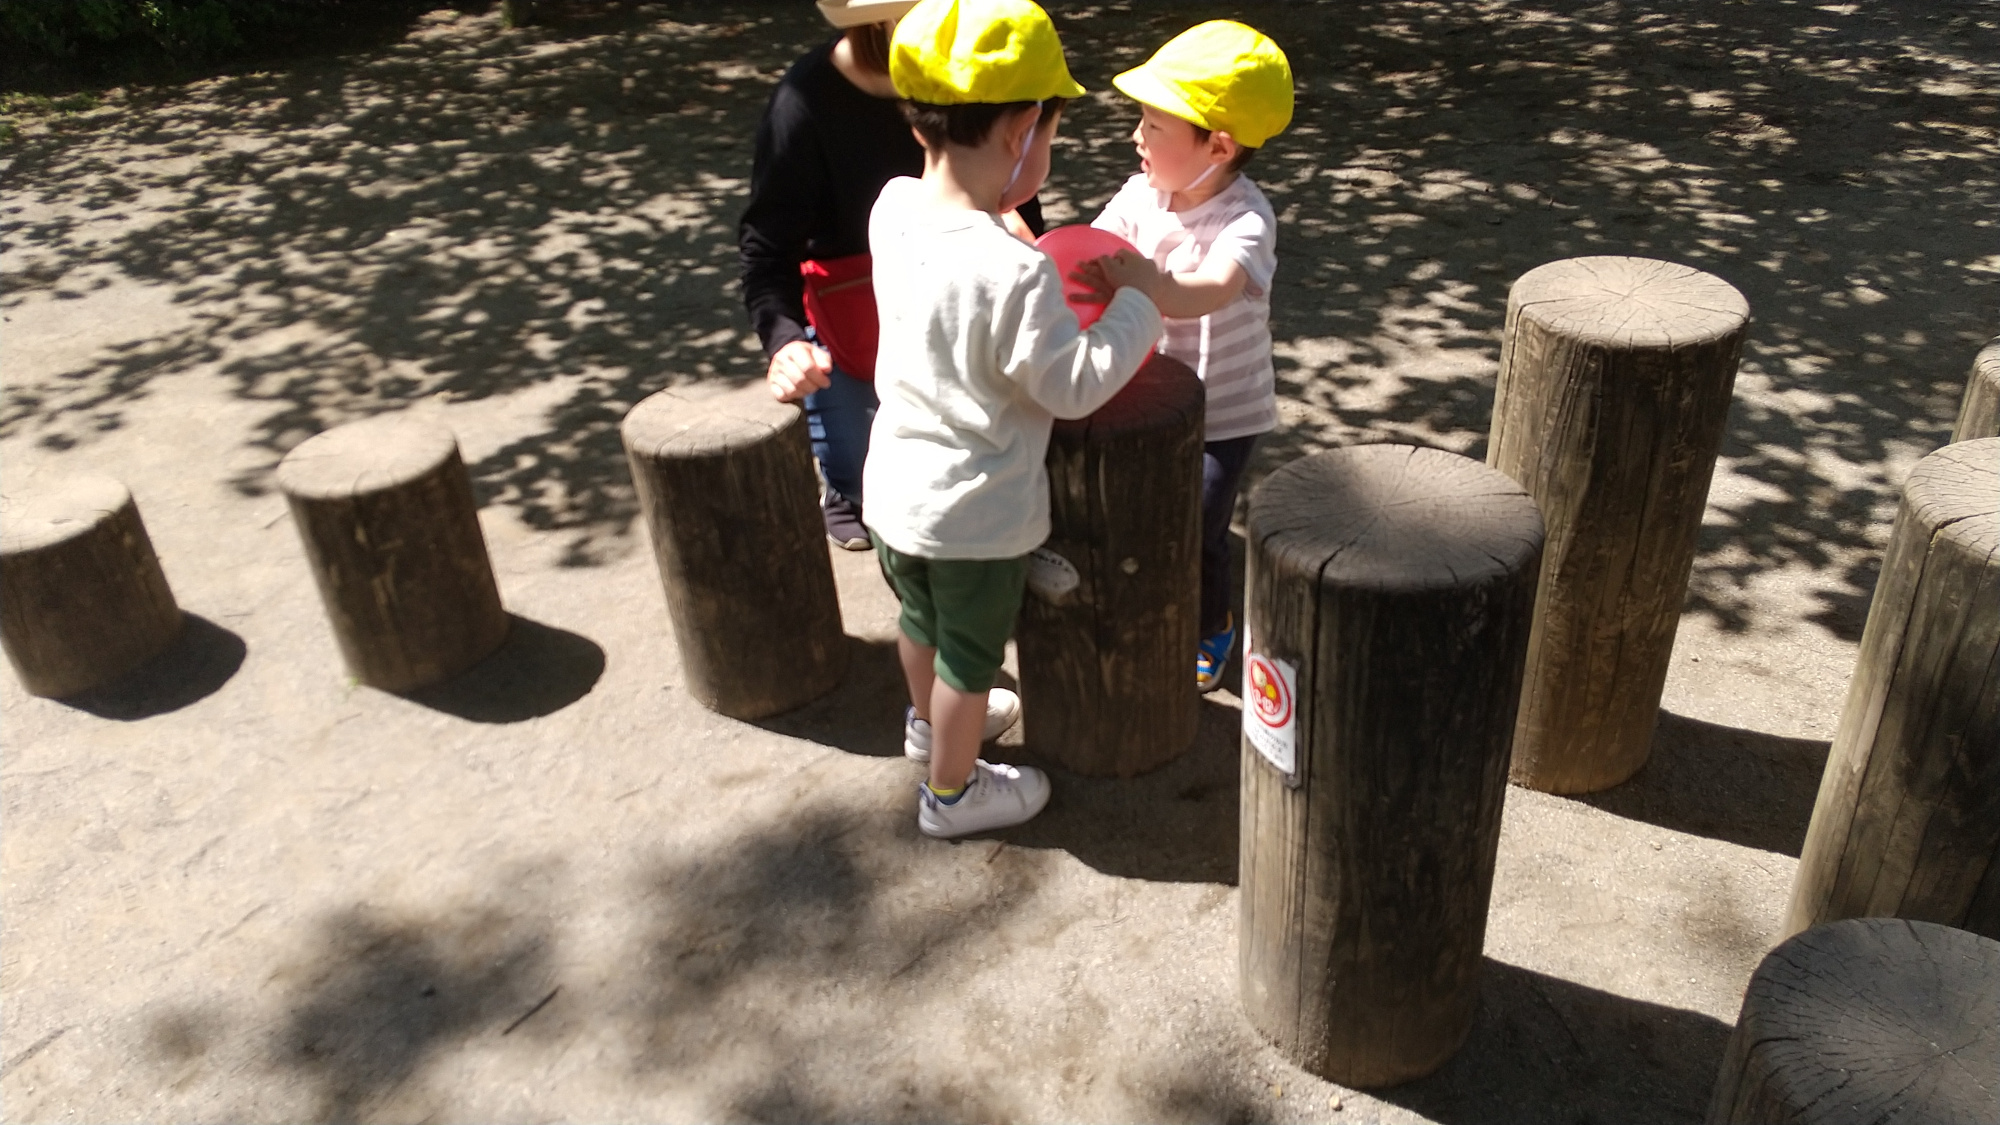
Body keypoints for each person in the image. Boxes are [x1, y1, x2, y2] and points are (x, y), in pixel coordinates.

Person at [865, 0, 1165, 837]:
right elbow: (1072, 385)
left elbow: (954, 279)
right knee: (971, 659)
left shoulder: (892, 207)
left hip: (894, 493)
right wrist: (1138, 305)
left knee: (919, 622)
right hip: (974, 515)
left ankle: (926, 726)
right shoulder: (1014, 272)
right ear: (1020, 129)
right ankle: (952, 793)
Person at [738, 0, 1043, 552]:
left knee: (998, 444)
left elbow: (1017, 190)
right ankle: (844, 487)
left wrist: (1021, 235)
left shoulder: (968, 68)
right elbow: (767, 245)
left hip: (960, 292)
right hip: (850, 307)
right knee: (870, 473)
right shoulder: (804, 101)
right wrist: (784, 340)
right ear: (881, 19)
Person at [1077, 20, 1293, 693]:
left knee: (1197, 518)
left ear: (1218, 146)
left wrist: (1151, 285)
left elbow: (1211, 289)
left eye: (1153, 125)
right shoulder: (1142, 193)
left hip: (1224, 411)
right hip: (1147, 391)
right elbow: (1095, 245)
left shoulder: (1246, 220)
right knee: (1137, 505)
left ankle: (1211, 621)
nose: (1136, 136)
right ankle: (1150, 593)